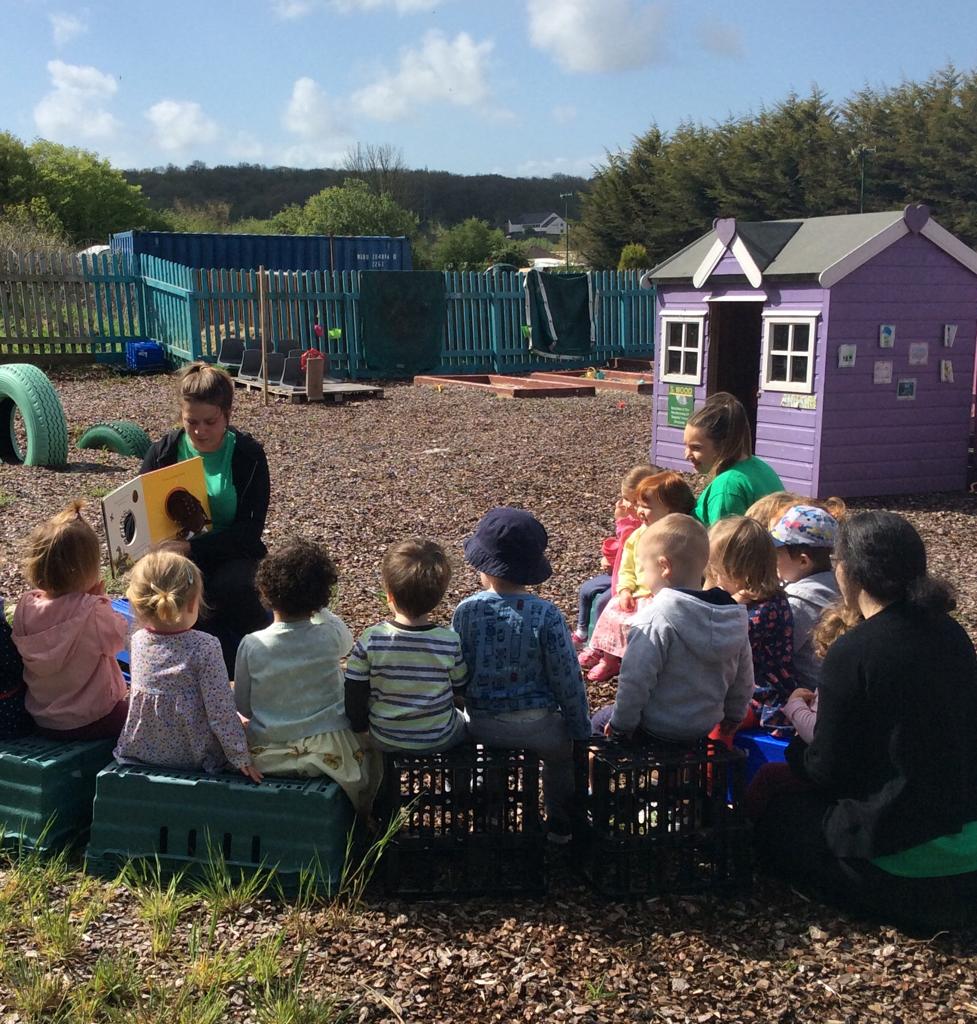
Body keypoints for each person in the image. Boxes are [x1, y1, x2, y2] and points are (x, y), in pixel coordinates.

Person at [753, 511, 977, 931]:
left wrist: (801, 746)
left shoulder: (854, 650)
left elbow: (827, 769)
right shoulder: (951, 634)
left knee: (777, 816)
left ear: (848, 570)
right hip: (966, 837)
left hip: (899, 854)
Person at [452, 508, 590, 842]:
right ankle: (559, 822)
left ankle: (487, 805)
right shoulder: (546, 614)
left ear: (483, 566)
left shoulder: (466, 611)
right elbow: (566, 677)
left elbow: (457, 671)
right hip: (538, 726)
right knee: (559, 758)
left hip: (482, 722)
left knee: (483, 752)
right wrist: (580, 727)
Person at [141, 362, 270, 676]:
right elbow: (137, 514)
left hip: (231, 554)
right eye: (191, 422)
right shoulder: (162, 453)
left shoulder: (248, 455)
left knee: (232, 587)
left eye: (210, 422)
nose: (200, 431)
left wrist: (191, 550)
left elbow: (249, 534)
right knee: (163, 590)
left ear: (227, 413)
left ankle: (242, 668)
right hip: (173, 555)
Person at [235, 540, 379, 814]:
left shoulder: (251, 644)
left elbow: (243, 706)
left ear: (264, 589)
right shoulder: (328, 636)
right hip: (332, 750)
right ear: (322, 597)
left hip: (270, 753)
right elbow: (348, 641)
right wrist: (319, 608)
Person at [590, 515, 753, 743]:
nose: (642, 578)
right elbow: (744, 677)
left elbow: (635, 681)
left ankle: (590, 779)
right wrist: (733, 717)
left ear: (664, 566)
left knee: (598, 722)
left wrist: (621, 727)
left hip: (657, 726)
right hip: (704, 725)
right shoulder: (732, 615)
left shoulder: (655, 619)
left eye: (643, 570)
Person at [114, 550, 260, 781]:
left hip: (142, 748)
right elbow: (219, 711)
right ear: (193, 603)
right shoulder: (205, 646)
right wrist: (241, 757)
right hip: (194, 755)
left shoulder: (138, 640)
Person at [12, 502, 129, 741]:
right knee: (137, 712)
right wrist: (102, 600)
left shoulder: (25, 606)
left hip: (43, 720)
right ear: (89, 570)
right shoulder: (93, 611)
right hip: (97, 717)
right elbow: (120, 639)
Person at [344, 539, 468, 754]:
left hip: (385, 737)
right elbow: (460, 686)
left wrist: (360, 728)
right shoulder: (449, 641)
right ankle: (458, 782)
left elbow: (354, 690)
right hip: (439, 737)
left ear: (389, 595)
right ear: (437, 599)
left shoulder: (372, 639)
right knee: (464, 723)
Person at [581, 471, 696, 682]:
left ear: (671, 508)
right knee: (613, 612)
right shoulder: (638, 535)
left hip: (665, 596)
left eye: (647, 506)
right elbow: (626, 567)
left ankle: (647, 664)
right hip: (638, 594)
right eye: (639, 505)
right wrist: (625, 589)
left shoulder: (682, 535)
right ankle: (609, 659)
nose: (639, 511)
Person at [707, 516, 795, 731]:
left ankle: (716, 761)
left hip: (759, 692)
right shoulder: (766, 597)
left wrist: (730, 607)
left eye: (718, 572)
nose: (715, 579)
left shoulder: (763, 609)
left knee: (715, 719)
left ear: (739, 572)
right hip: (742, 684)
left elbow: (721, 645)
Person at [571, 463, 657, 651]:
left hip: (630, 579)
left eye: (630, 500)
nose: (625, 504)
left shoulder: (644, 525)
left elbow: (627, 545)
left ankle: (601, 647)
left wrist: (621, 521)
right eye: (624, 498)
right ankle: (582, 631)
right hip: (618, 573)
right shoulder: (634, 519)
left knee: (603, 602)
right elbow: (622, 549)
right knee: (586, 589)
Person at [684, 392, 783, 526]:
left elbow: (723, 544)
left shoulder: (727, 486)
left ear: (723, 445)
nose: (686, 455)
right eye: (686, 445)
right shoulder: (760, 467)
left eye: (696, 448)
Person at [770, 504, 840, 691]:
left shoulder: (797, 604)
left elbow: (773, 654)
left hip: (805, 695)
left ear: (803, 561)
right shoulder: (839, 587)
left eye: (777, 553)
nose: (772, 559)